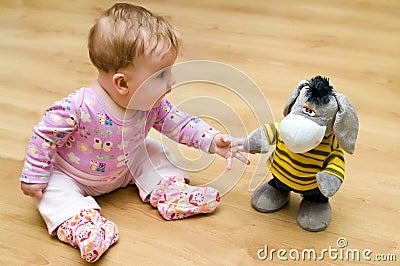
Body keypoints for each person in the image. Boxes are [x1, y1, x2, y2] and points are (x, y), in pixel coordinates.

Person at [20, 3, 249, 263]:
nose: (171, 83)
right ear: (122, 83)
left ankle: (170, 192)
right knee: (50, 190)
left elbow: (181, 124)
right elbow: (45, 135)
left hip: (126, 164)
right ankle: (83, 224)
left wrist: (212, 141)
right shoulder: (78, 106)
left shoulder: (153, 104)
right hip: (73, 174)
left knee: (154, 150)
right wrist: (35, 173)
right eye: (162, 75)